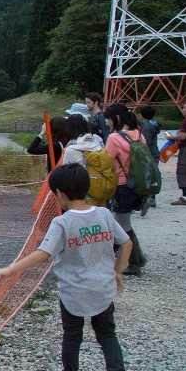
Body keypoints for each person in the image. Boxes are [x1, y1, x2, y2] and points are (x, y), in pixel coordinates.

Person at [0, 162, 131, 371]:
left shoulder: (62, 223)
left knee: (72, 335)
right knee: (107, 335)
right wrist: (118, 271)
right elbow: (127, 242)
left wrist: (10, 269)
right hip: (103, 289)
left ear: (59, 194)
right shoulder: (103, 214)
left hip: (74, 292)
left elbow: (43, 254)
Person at [104, 104, 146, 275]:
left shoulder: (114, 137)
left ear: (116, 118)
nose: (106, 122)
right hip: (137, 185)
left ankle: (134, 262)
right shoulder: (139, 134)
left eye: (108, 118)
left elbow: (105, 161)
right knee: (123, 223)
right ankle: (133, 260)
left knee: (122, 225)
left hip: (122, 186)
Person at [59, 114, 115, 207]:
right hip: (100, 190)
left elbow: (66, 175)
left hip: (82, 196)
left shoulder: (71, 149)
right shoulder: (97, 141)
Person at [135, 105, 160, 211]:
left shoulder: (145, 126)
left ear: (141, 115)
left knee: (146, 177)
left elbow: (146, 142)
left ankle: (147, 199)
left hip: (148, 154)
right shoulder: (154, 124)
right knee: (153, 176)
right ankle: (152, 198)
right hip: (155, 152)